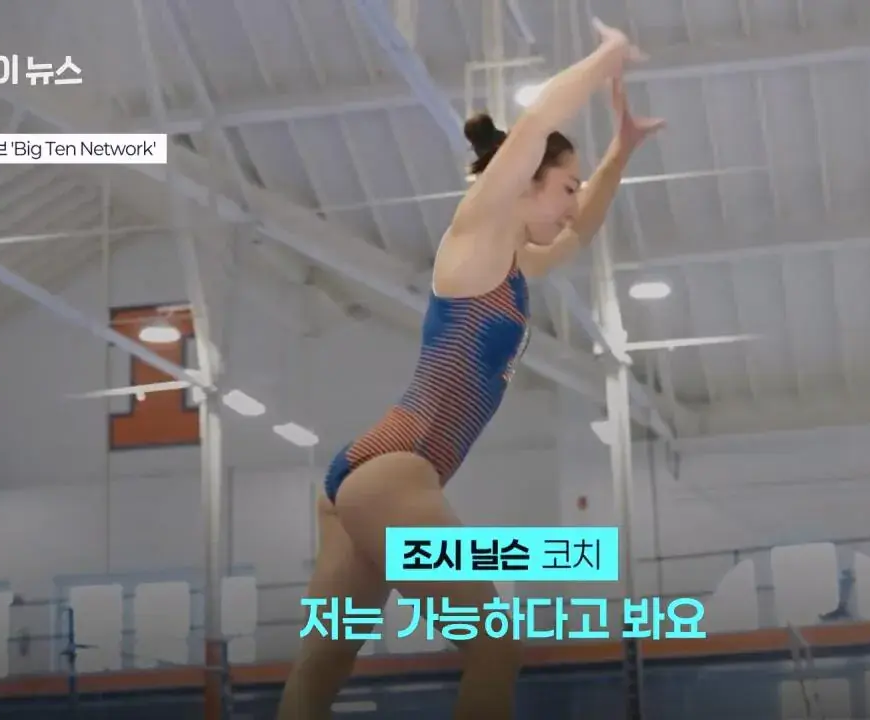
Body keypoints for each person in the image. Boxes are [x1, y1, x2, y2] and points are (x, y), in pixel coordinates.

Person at [277, 19, 665, 720]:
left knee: (324, 665)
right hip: (396, 470)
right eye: (566, 186)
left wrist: (621, 150)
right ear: (525, 182)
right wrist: (606, 56)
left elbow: (580, 231)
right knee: (494, 646)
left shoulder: (513, 266)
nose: (572, 201)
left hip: (366, 481)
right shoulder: (477, 234)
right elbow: (539, 121)